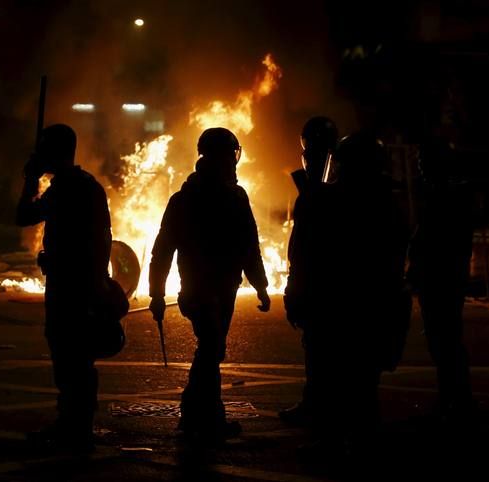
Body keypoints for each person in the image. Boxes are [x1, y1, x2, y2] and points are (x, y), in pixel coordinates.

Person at [287, 131, 408, 457]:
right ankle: (362, 441)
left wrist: (295, 294)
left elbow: (306, 254)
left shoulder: (330, 202)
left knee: (333, 378)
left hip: (336, 306)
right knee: (364, 382)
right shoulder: (389, 204)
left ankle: (332, 442)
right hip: (373, 306)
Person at [148, 127, 270, 442]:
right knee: (211, 347)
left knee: (211, 350)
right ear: (217, 156)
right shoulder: (193, 199)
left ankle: (199, 416)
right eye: (229, 155)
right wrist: (156, 293)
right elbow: (163, 248)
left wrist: (260, 285)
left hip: (221, 287)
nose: (233, 161)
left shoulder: (223, 196)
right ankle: (202, 417)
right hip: (201, 289)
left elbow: (248, 244)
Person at [16, 124, 112, 452]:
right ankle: (75, 424)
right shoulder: (87, 187)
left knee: (70, 354)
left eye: (45, 150)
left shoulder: (66, 189)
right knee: (75, 356)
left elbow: (24, 215)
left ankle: (74, 427)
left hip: (70, 285)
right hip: (79, 282)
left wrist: (31, 178)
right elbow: (105, 240)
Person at [407, 137, 475, 421]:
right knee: (442, 341)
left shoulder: (448, 196)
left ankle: (456, 399)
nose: (420, 167)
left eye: (425, 161)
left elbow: (438, 242)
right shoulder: (441, 193)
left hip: (442, 280)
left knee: (445, 341)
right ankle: (453, 397)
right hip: (439, 279)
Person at [280, 116, 338, 425]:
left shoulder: (326, 198)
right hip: (323, 286)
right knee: (318, 350)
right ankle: (317, 405)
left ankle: (322, 414)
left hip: (324, 287)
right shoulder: (323, 195)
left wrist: (295, 287)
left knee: (322, 351)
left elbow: (306, 249)